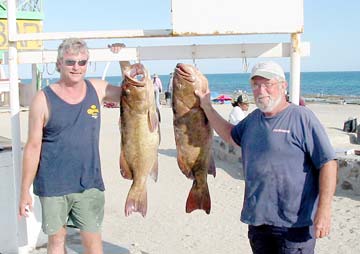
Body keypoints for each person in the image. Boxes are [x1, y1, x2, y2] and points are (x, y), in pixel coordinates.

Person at [195, 61, 338, 254]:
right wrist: (207, 108)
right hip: (258, 222)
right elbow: (230, 135)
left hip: (295, 225)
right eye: (256, 85)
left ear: (283, 86)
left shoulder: (302, 118)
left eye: (267, 84)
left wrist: (324, 210)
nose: (261, 90)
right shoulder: (253, 119)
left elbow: (328, 163)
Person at [18, 38, 126, 254]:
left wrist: (123, 59)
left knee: (93, 243)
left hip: (89, 182)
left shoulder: (97, 88)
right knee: (57, 242)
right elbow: (32, 147)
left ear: (87, 64)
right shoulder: (42, 98)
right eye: (70, 62)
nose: (76, 67)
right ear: (59, 64)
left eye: (82, 62)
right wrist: (24, 191)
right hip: (53, 184)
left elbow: (132, 93)